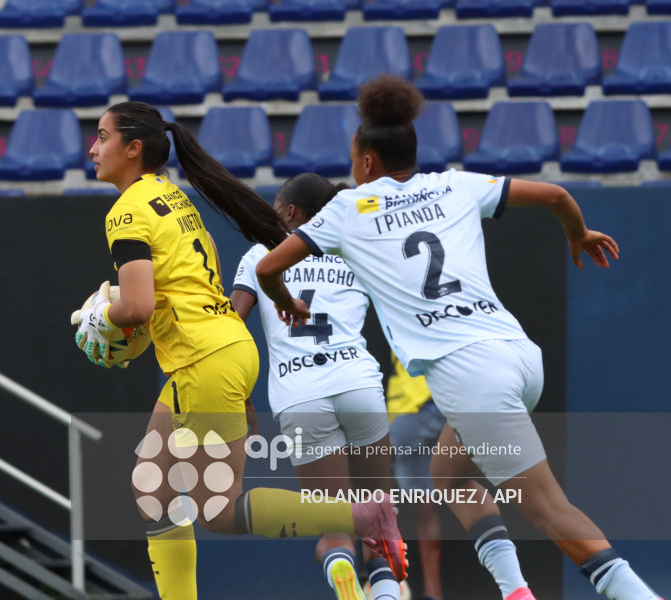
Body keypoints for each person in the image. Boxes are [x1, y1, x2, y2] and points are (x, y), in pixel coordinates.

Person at [253, 75, 664, 600]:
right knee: (447, 473)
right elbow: (558, 194)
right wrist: (577, 233)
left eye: (354, 158)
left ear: (368, 163)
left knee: (546, 508)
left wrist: (287, 303)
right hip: (517, 355)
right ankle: (516, 592)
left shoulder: (347, 210)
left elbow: (269, 268)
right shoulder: (456, 183)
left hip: (471, 378)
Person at [73, 101, 408, 600]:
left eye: (102, 136)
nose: (93, 148)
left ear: (134, 148)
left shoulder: (126, 212)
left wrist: (103, 317)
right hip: (222, 352)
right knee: (151, 488)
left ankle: (359, 514)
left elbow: (139, 306)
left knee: (219, 513)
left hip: (203, 361)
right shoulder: (172, 196)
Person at [230, 173, 404, 600]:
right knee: (377, 518)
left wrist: (239, 394)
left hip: (299, 393)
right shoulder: (353, 254)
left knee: (334, 527)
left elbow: (230, 329)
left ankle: (341, 567)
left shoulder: (258, 255)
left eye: (275, 206)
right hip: (358, 383)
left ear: (290, 212)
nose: (270, 213)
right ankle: (382, 591)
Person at [385, 353, 445, 600]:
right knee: (425, 505)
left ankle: (384, 583)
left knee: (375, 490)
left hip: (411, 408)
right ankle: (432, 593)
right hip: (452, 400)